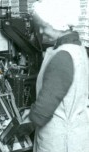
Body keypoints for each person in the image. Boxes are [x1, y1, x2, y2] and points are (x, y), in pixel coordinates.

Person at [21, 0, 89, 151]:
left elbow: (45, 108)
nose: (42, 32)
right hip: (78, 135)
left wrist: (25, 124)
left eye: (44, 27)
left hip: (60, 140)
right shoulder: (78, 48)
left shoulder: (63, 56)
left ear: (58, 24)